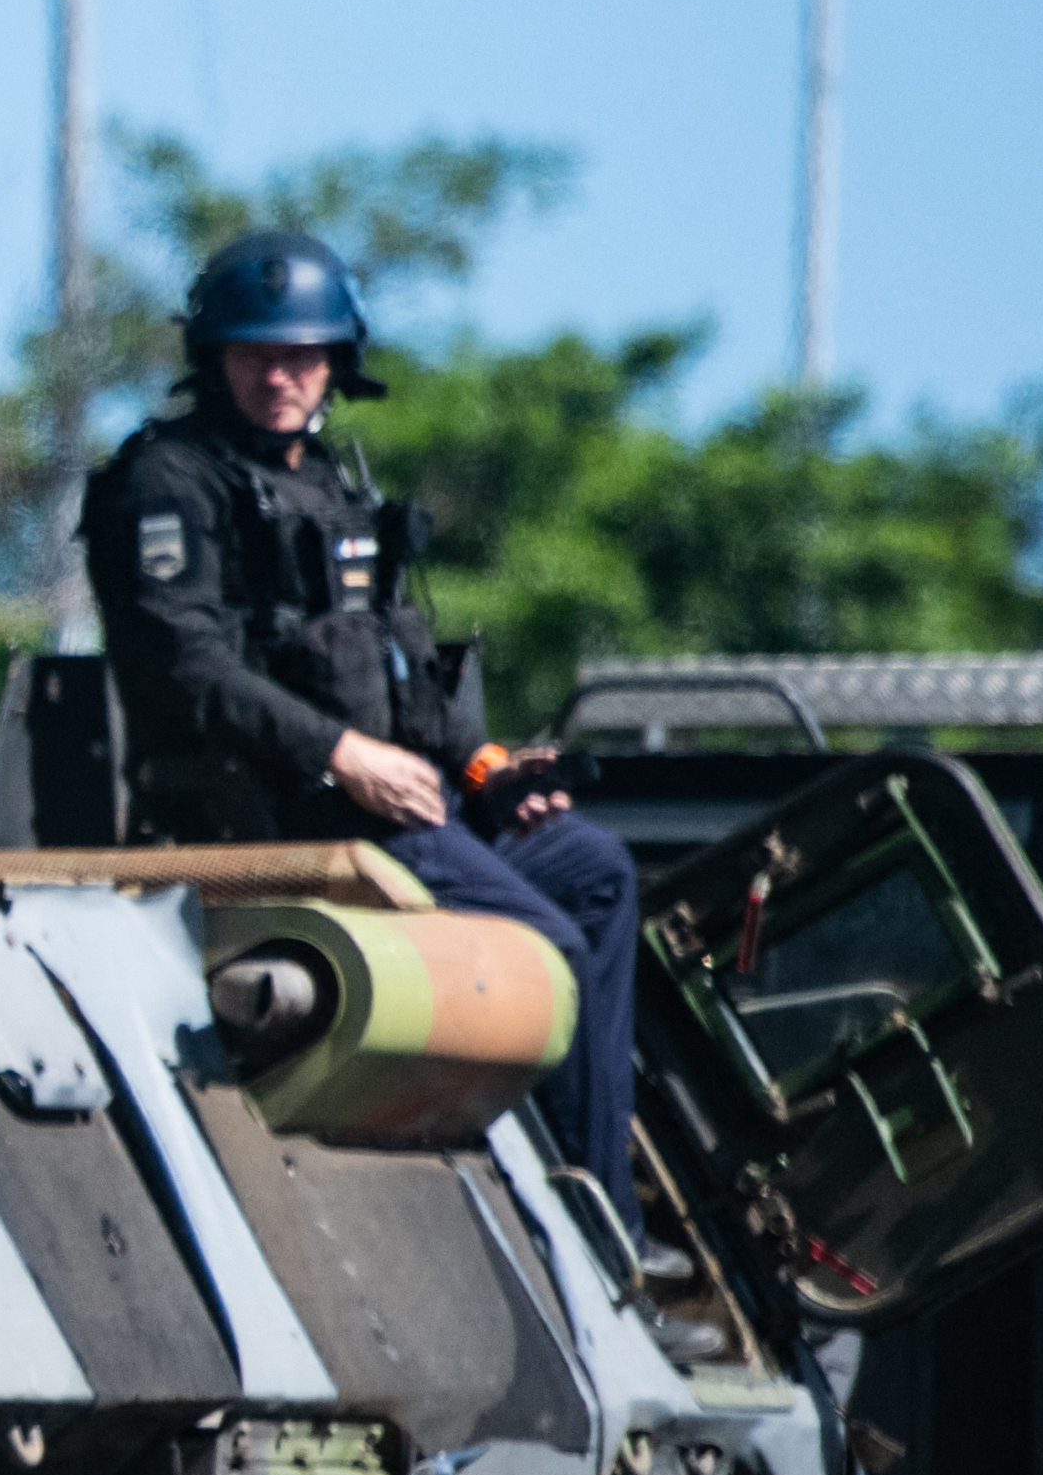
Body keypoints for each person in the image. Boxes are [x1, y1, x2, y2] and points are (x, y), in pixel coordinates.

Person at [80, 226, 641, 1210]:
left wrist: (486, 766)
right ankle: (585, 1222)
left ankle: (606, 1183)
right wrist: (343, 756)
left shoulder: (329, 485)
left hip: (392, 806)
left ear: (337, 360)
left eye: (302, 354)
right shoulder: (167, 481)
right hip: (291, 815)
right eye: (256, 352)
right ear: (212, 357)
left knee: (594, 873)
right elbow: (184, 664)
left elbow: (397, 662)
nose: (279, 374)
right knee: (540, 943)